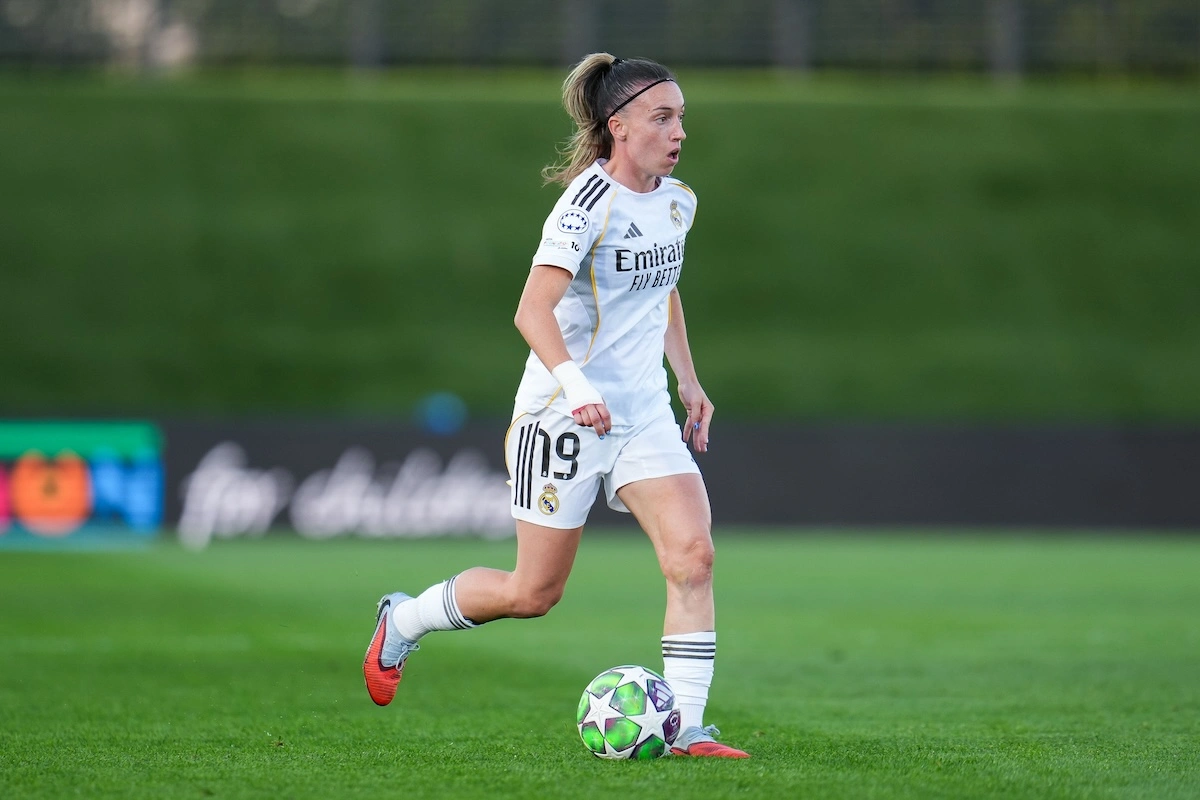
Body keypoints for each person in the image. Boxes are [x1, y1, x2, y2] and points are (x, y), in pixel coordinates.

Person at [363, 53, 749, 759]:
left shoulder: (677, 201)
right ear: (618, 125)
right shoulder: (585, 204)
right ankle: (405, 619)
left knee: (693, 557)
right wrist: (577, 386)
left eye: (681, 118)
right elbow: (531, 310)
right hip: (562, 414)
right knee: (533, 592)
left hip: (642, 415)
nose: (679, 132)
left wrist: (688, 380)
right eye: (663, 118)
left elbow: (662, 289)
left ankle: (686, 728)